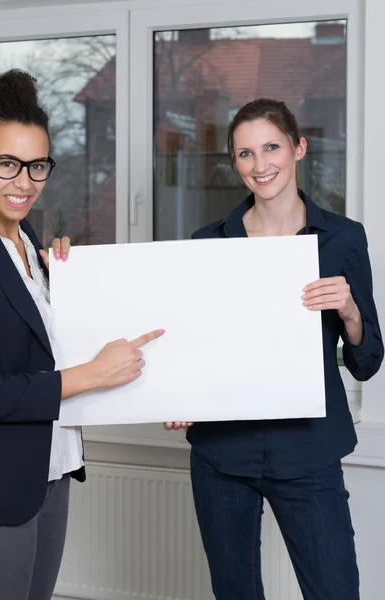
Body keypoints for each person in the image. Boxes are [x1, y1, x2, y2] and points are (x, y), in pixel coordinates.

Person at [0, 69, 164, 600]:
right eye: (7, 164)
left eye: (37, 166)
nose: (24, 181)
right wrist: (89, 375)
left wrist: (70, 281)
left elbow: (43, 344)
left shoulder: (32, 243)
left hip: (49, 470)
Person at [165, 98, 383, 599]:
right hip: (222, 455)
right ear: (233, 163)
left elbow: (368, 362)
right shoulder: (207, 244)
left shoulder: (344, 240)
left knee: (335, 591)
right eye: (245, 154)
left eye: (271, 148)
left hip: (310, 450)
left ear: (298, 148)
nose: (260, 166)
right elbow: (192, 350)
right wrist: (176, 394)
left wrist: (349, 310)